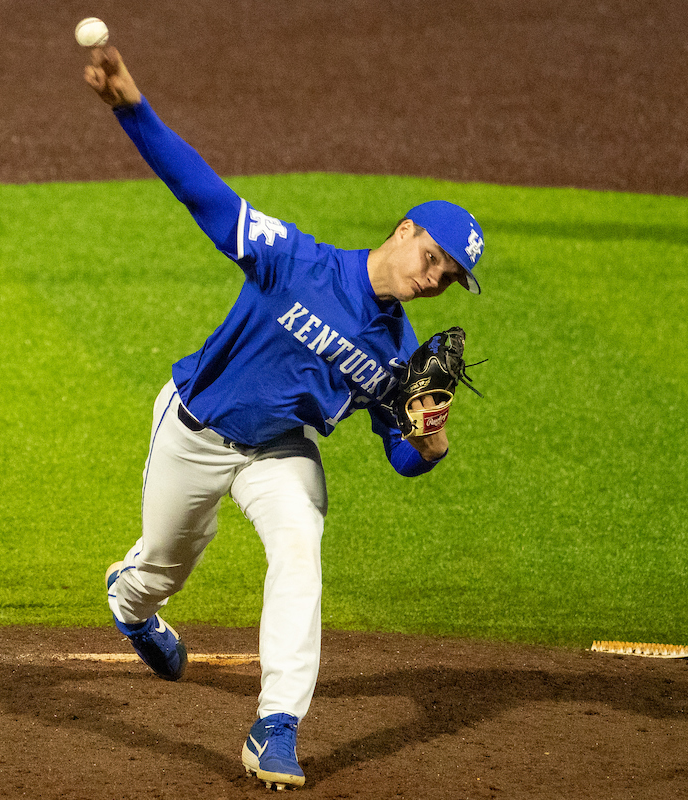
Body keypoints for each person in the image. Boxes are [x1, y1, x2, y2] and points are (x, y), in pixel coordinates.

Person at [84, 46, 485, 791]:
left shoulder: (397, 355)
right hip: (195, 429)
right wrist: (131, 108)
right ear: (402, 231)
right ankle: (131, 603)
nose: (432, 281)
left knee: (300, 549)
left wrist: (430, 438)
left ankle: (276, 726)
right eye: (431, 258)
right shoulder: (293, 259)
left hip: (280, 453)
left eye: (447, 279)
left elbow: (400, 457)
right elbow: (199, 190)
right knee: (164, 567)